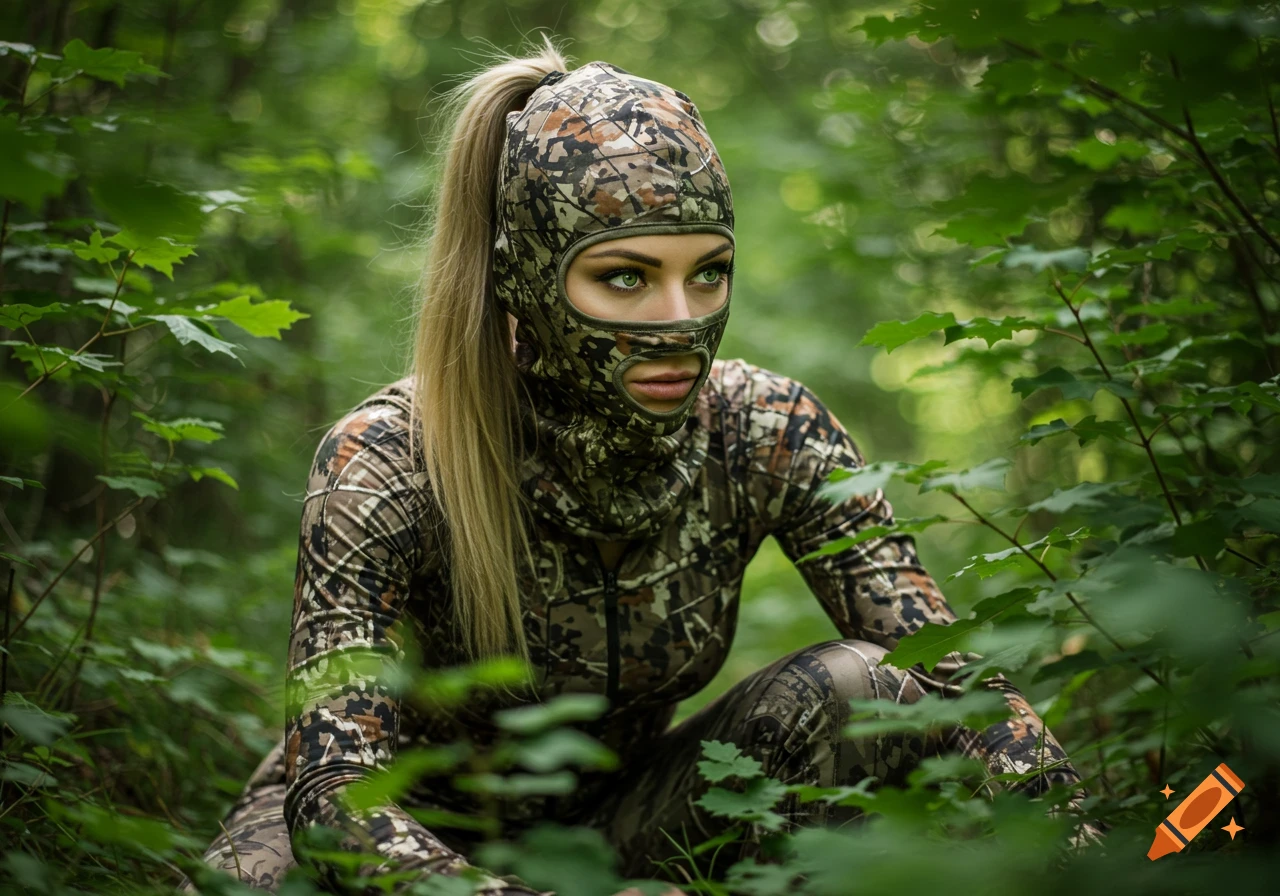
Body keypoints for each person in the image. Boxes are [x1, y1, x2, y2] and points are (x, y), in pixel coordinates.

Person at [182, 40, 1101, 896]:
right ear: (525, 277)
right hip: (389, 833)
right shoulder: (387, 458)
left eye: (709, 273)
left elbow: (944, 677)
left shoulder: (767, 429)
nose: (679, 319)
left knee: (865, 686)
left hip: (620, 824)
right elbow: (336, 799)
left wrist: (1089, 852)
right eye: (625, 277)